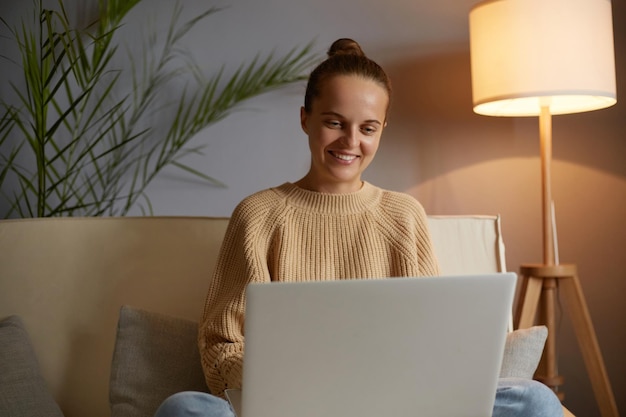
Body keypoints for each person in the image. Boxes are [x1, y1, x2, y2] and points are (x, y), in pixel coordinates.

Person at [154, 38, 563, 417]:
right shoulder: (258, 215)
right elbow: (220, 348)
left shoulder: (403, 214)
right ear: (305, 119)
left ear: (381, 130)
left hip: (392, 401)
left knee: (535, 399)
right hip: (288, 404)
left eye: (367, 128)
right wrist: (290, 375)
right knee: (184, 409)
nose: (351, 141)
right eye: (335, 122)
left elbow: (430, 335)